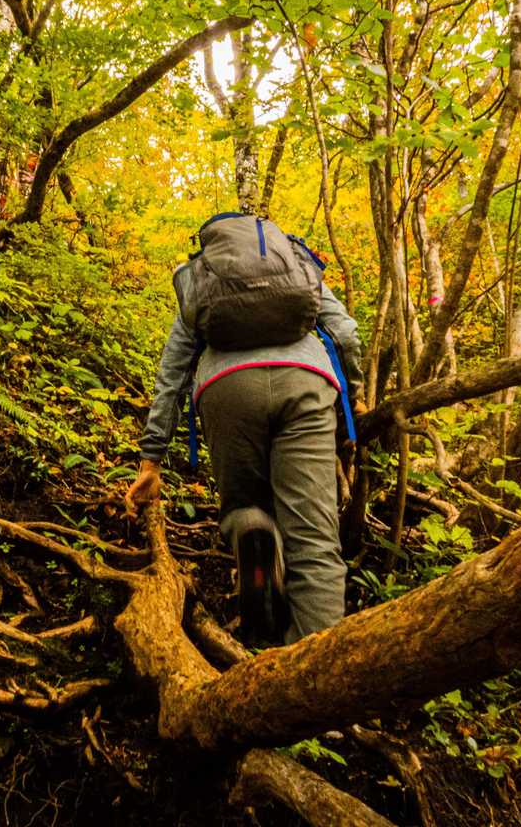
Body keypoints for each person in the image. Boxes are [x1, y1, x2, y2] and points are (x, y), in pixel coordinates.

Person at [125, 220, 363, 643]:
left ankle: (254, 529)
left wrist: (151, 460)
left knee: (243, 506)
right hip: (305, 385)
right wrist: (354, 397)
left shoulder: (204, 280)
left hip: (225, 388)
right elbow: (344, 333)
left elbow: (173, 372)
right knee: (313, 539)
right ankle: (316, 660)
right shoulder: (296, 267)